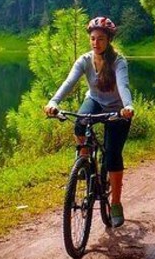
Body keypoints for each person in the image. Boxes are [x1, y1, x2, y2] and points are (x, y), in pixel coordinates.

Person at [44, 16, 134, 227]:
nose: (96, 43)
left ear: (108, 40)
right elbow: (69, 82)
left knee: (112, 155)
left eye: (100, 39)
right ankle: (85, 164)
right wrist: (54, 101)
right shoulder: (84, 60)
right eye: (93, 38)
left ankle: (116, 204)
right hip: (94, 101)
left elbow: (124, 86)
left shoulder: (118, 62)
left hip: (117, 110)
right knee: (79, 123)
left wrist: (127, 107)